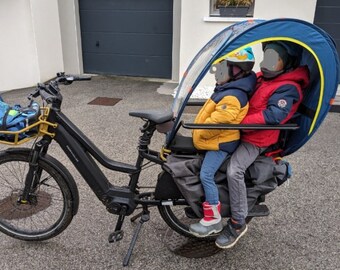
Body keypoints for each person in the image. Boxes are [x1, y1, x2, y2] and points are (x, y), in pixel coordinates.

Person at [215, 41, 310, 248]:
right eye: (265, 56)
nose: (266, 63)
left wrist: (237, 123)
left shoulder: (288, 87)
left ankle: (237, 223)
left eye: (273, 58)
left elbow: (273, 115)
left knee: (234, 170)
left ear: (286, 63)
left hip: (257, 139)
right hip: (241, 131)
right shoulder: (262, 78)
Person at [189, 47, 257, 237]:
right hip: (218, 139)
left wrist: (199, 133)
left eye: (221, 70)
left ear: (236, 71)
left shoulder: (233, 95)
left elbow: (219, 123)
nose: (217, 74)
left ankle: (213, 219)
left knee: (206, 175)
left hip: (221, 143)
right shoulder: (228, 89)